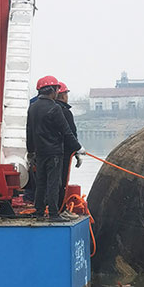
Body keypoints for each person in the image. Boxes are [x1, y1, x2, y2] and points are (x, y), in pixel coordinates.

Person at [26, 75, 85, 221]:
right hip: (54, 153)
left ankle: (39, 211)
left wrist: (31, 151)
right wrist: (78, 148)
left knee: (41, 182)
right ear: (52, 90)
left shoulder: (33, 108)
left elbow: (29, 131)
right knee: (53, 183)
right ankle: (53, 213)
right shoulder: (55, 108)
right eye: (57, 90)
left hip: (39, 153)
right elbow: (66, 132)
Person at [55, 81, 81, 209]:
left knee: (50, 181)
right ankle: (60, 208)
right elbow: (70, 133)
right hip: (64, 153)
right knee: (62, 181)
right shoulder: (65, 112)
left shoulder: (46, 109)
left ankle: (48, 207)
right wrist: (77, 150)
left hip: (48, 152)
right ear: (63, 95)